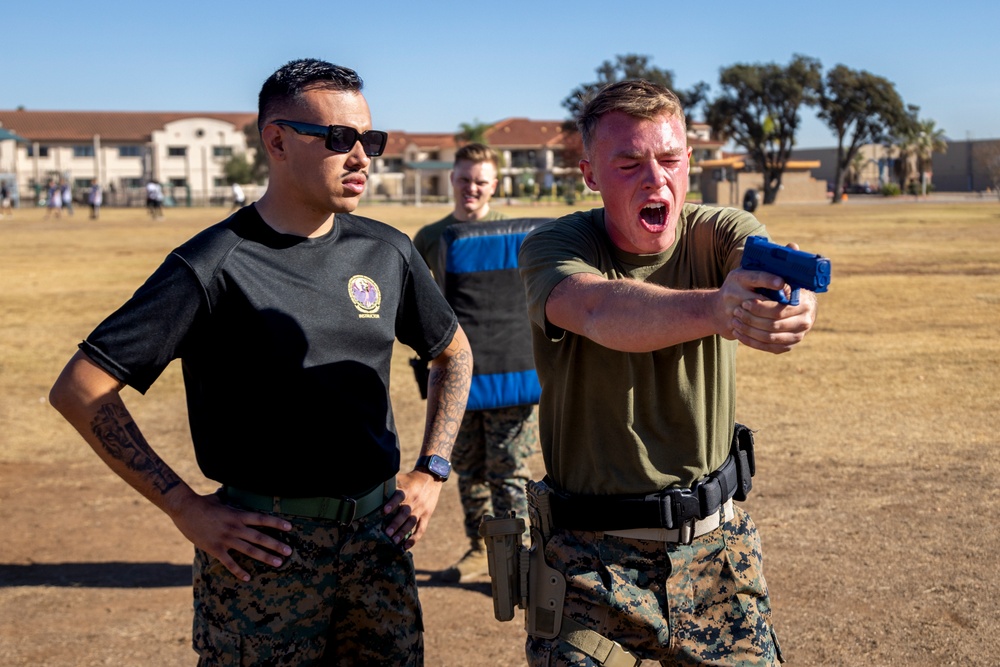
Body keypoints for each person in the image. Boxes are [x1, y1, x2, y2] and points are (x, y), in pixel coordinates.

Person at [49, 57, 473, 666]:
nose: (361, 158)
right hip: (264, 555)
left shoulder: (387, 250)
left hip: (379, 545)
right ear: (275, 140)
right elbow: (80, 388)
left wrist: (431, 471)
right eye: (339, 139)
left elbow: (452, 355)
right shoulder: (213, 263)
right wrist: (183, 506)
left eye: (369, 141)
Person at [516, 79, 819, 665]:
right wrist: (717, 308)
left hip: (714, 555)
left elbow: (768, 267)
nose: (656, 179)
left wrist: (793, 300)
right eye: (629, 164)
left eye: (671, 159)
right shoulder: (554, 246)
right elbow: (600, 309)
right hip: (589, 566)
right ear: (590, 173)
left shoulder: (724, 229)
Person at [413, 143, 539, 583]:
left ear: (494, 186)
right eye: (465, 179)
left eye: (481, 181)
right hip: (456, 376)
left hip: (511, 369)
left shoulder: (519, 234)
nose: (472, 189)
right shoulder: (429, 238)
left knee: (509, 470)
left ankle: (517, 560)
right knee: (467, 468)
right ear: (452, 178)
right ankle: (479, 550)